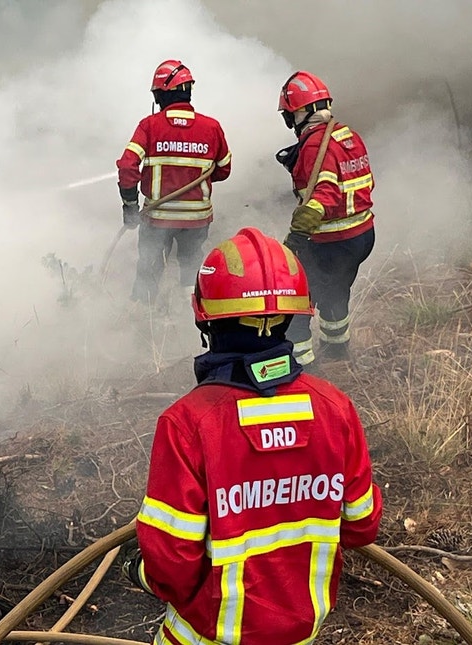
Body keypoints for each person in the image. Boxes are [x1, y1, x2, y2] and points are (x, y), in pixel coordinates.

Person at [122, 227, 382, 645]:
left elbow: (172, 564)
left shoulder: (188, 424)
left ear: (204, 316)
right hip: (300, 634)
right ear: (296, 316)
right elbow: (361, 526)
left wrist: (139, 572)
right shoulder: (335, 409)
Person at [275, 70, 376, 367]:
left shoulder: (314, 147)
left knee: (296, 299)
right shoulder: (347, 135)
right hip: (361, 235)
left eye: (289, 114)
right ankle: (337, 350)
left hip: (331, 240)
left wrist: (296, 236)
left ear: (302, 112)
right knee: (336, 289)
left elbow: (324, 195)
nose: (289, 121)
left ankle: (301, 363)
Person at [116, 59, 232, 308]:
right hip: (197, 220)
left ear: (161, 95)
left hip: (157, 218)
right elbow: (223, 170)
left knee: (149, 268)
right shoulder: (211, 127)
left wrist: (129, 207)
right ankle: (192, 319)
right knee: (191, 268)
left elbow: (127, 166)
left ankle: (142, 320)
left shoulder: (149, 126)